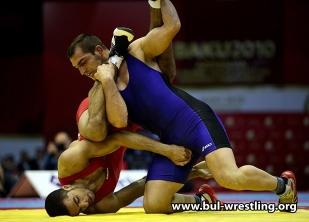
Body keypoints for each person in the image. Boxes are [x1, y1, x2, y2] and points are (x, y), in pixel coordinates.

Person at [68, 0, 297, 214]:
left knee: (229, 176)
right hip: (171, 141)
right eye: (76, 68)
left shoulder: (136, 51)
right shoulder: (101, 90)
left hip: (195, 121)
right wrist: (107, 81)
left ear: (99, 50)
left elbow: (172, 26)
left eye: (83, 62)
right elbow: (119, 121)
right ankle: (202, 201)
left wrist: (161, 2)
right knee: (154, 205)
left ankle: (283, 185)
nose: (81, 71)